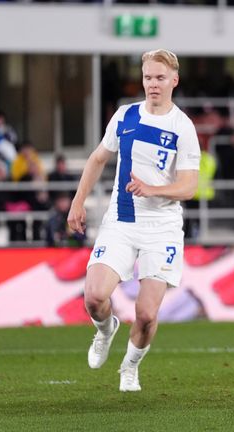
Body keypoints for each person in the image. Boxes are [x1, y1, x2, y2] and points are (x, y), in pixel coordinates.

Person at [67, 49, 200, 392]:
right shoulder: (125, 116)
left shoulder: (182, 127)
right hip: (122, 221)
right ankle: (105, 329)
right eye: (147, 77)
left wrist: (152, 188)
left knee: (146, 314)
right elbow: (98, 158)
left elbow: (188, 187)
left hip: (162, 229)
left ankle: (130, 366)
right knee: (94, 297)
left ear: (174, 80)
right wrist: (78, 202)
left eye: (159, 78)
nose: (152, 84)